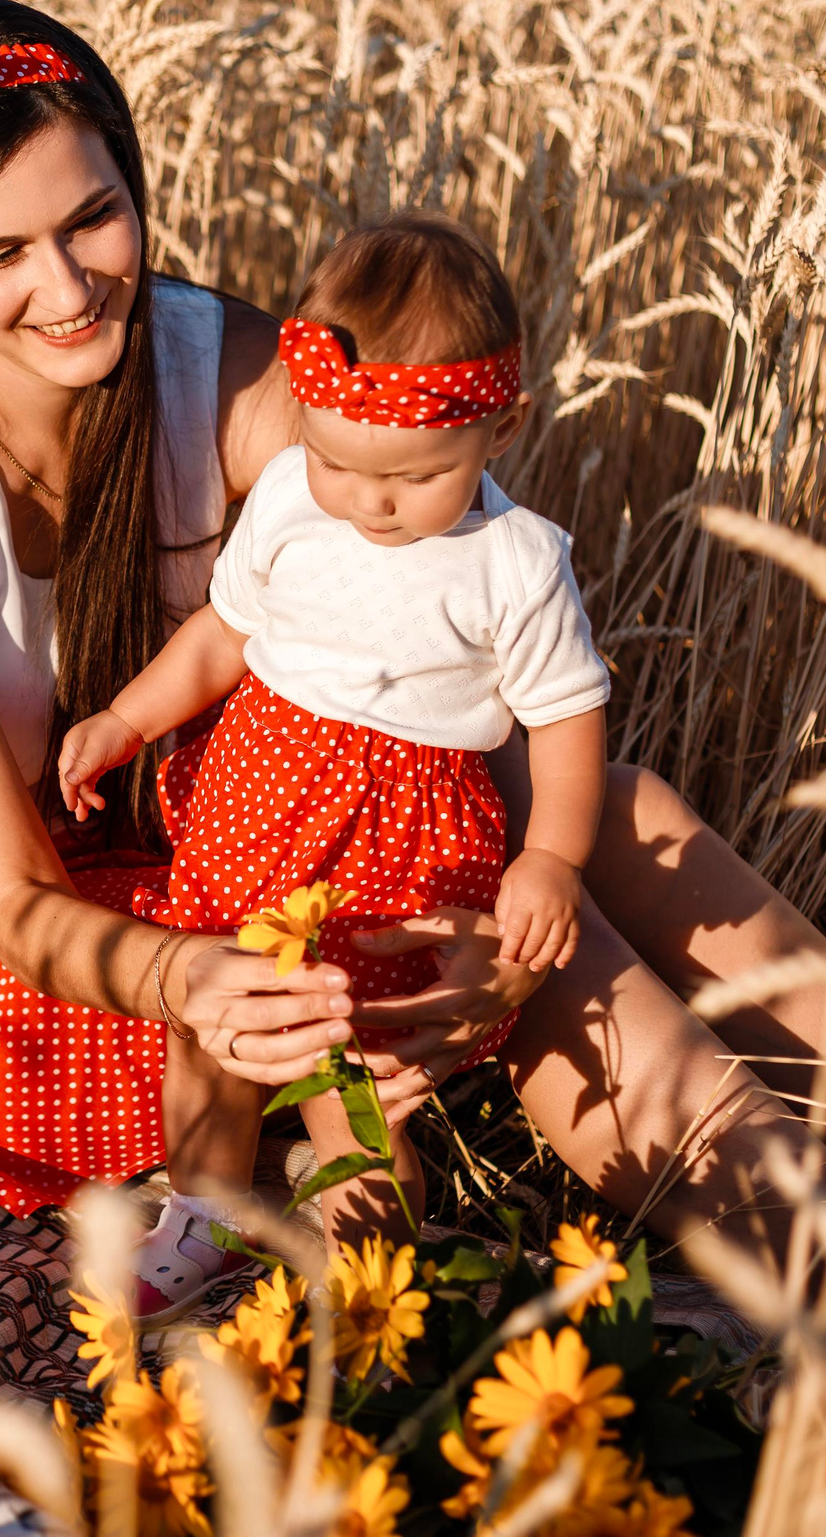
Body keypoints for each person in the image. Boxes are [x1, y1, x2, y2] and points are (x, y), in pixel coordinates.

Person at [0, 0, 826, 1304]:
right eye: (0, 251)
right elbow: (19, 907)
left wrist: (499, 906)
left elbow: (438, 579)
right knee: (506, 927)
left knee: (605, 817)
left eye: (93, 218)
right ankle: (825, 1252)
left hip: (175, 835)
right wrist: (211, 975)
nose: (69, 288)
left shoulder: (217, 364)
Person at [56, 215, 610, 1313]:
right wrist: (123, 718)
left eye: (412, 476)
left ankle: (370, 1269)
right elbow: (225, 635)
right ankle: (201, 1207)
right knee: (211, 1023)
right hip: (257, 805)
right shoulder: (291, 503)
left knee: (352, 1071)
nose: (369, 500)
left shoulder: (514, 564)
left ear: (502, 428)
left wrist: (550, 857)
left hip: (398, 849)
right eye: (337, 460)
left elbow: (566, 719)